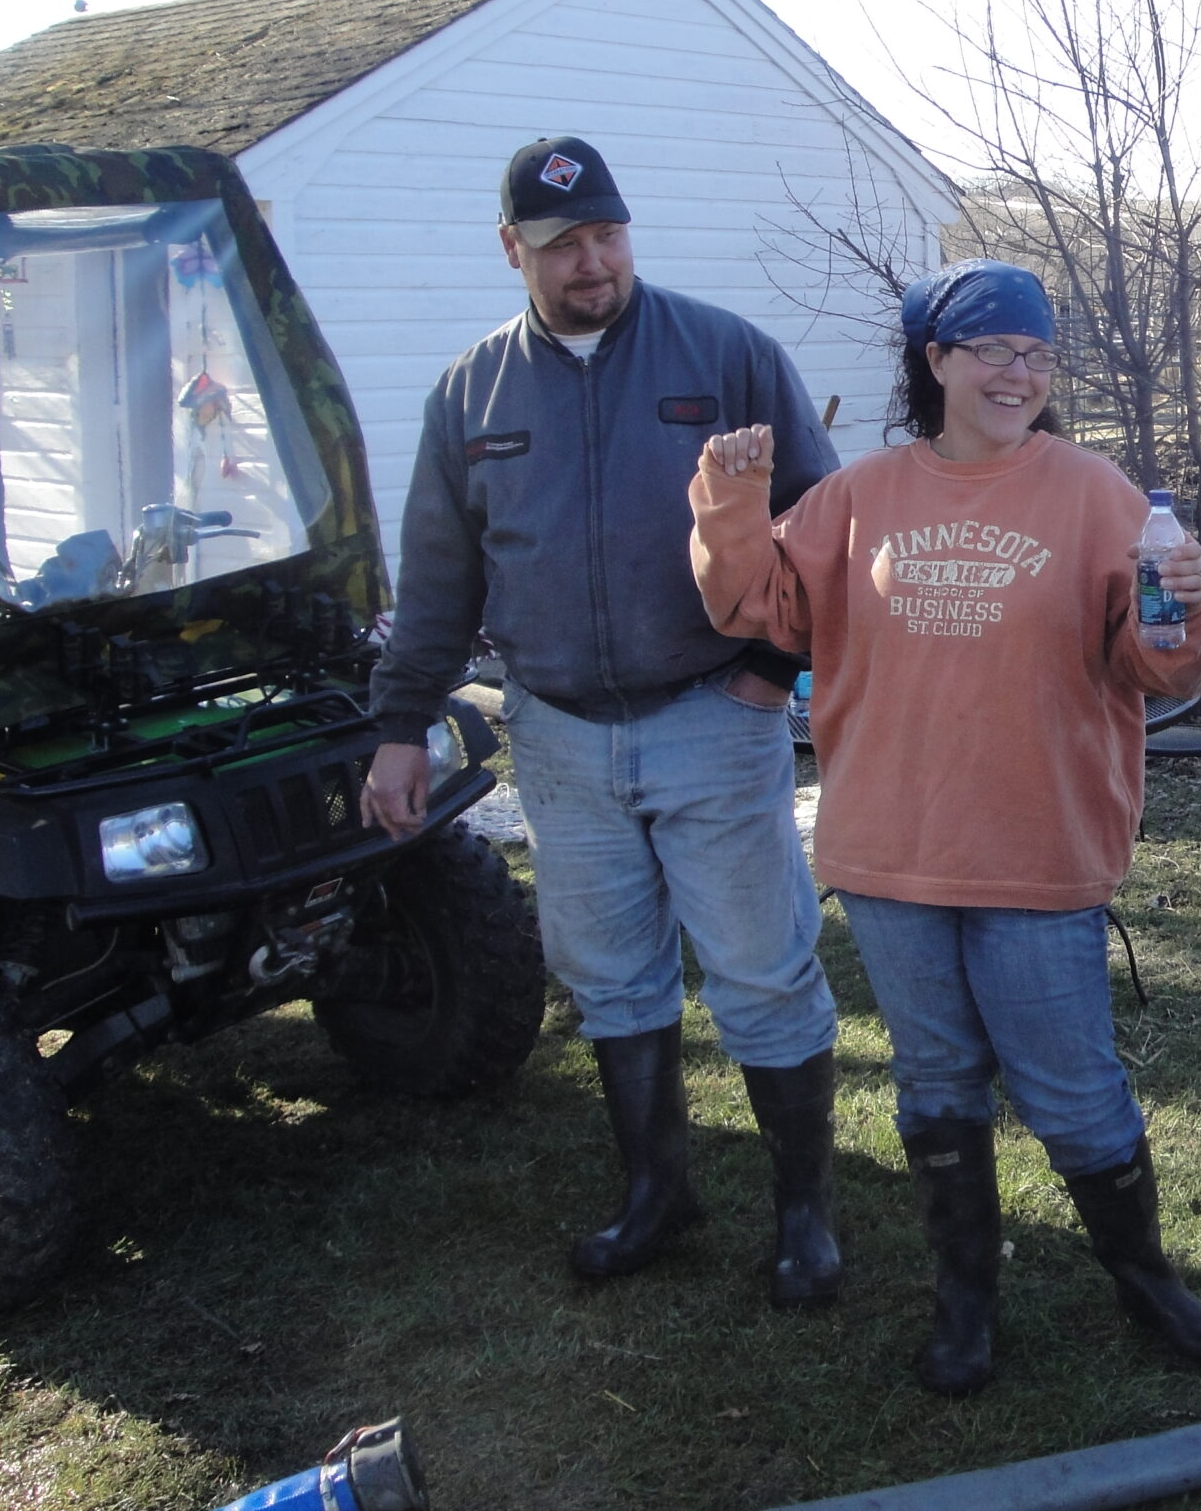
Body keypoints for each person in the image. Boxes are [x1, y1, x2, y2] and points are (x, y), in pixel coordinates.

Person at [687, 257, 1201, 1396]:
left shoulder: (1097, 496)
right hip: (894, 848)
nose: (1016, 371)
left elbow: (1158, 669)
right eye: (991, 347)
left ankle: (1149, 1285)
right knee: (934, 1081)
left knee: (1073, 1089)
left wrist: (1188, 607)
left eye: (1036, 352)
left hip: (1035, 843)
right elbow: (758, 608)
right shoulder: (859, 497)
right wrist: (730, 504)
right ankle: (965, 1302)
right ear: (935, 360)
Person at [363, 135, 848, 1310]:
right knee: (613, 981)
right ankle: (656, 1194)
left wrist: (771, 670)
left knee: (761, 972)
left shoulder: (724, 354)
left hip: (709, 715)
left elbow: (826, 525)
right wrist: (398, 723)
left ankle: (805, 1218)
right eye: (564, 245)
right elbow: (438, 578)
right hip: (560, 735)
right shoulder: (469, 392)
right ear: (512, 251)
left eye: (608, 236)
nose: (593, 263)